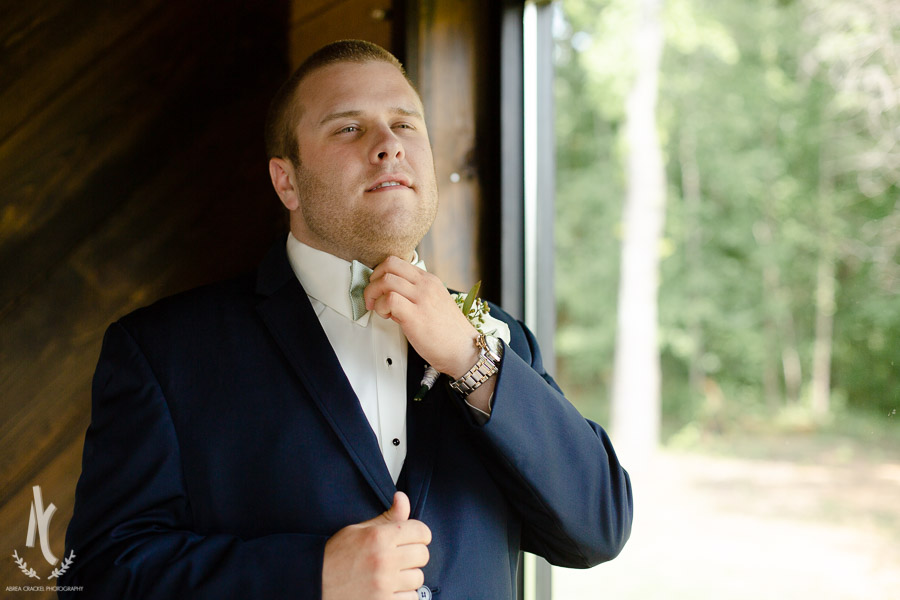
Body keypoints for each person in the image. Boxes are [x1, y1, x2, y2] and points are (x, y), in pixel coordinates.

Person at [61, 40, 632, 599]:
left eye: (406, 124)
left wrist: (470, 361)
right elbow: (98, 576)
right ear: (286, 181)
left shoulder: (494, 338)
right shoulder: (163, 353)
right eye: (348, 128)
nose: (389, 145)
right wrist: (314, 575)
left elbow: (598, 529)